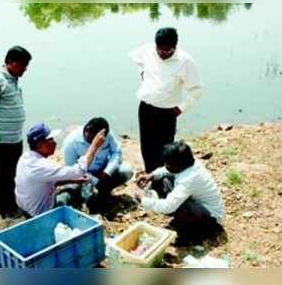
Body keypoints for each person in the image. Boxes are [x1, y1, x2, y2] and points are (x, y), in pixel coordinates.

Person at [129, 27, 203, 173]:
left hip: (168, 112)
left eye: (166, 50)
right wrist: (143, 74)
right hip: (146, 108)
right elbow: (135, 58)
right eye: (159, 49)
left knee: (165, 149)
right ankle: (150, 175)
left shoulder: (185, 61)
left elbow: (197, 89)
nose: (161, 53)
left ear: (174, 47)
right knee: (147, 146)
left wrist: (181, 108)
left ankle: (164, 178)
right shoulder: (148, 50)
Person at [136, 141, 224, 245]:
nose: (166, 166)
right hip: (200, 207)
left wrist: (143, 199)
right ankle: (184, 221)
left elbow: (168, 206)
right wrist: (152, 175)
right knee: (165, 181)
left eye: (168, 164)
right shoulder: (190, 163)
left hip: (212, 219)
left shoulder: (188, 179)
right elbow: (167, 170)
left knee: (182, 206)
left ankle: (192, 236)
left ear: (179, 165)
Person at [0, 45, 32, 219]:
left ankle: (14, 204)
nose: (25, 69)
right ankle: (5, 210)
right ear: (10, 62)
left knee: (15, 173)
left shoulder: (12, 79)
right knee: (4, 176)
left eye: (26, 65)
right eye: (22, 65)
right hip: (2, 140)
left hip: (15, 138)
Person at [15, 123, 106, 217]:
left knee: (73, 183)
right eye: (50, 140)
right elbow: (79, 170)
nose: (54, 143)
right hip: (41, 215)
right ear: (40, 144)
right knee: (69, 192)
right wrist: (95, 145)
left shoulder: (25, 157)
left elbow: (44, 179)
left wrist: (73, 180)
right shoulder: (42, 166)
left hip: (25, 209)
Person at [62, 117, 133, 200]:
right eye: (93, 140)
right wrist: (96, 181)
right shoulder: (71, 142)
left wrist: (107, 172)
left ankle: (105, 191)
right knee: (82, 195)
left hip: (103, 172)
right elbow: (73, 170)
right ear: (87, 131)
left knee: (126, 170)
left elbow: (116, 152)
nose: (98, 143)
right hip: (84, 176)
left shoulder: (106, 135)